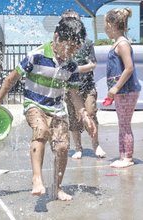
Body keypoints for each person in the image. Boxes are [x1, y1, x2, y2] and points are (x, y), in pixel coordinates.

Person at [0, 17, 96, 201]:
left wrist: (84, 115)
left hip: (57, 109)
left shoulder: (70, 65)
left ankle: (57, 187)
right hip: (34, 104)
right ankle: (37, 177)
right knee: (41, 130)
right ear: (56, 37)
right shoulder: (36, 56)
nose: (70, 52)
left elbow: (74, 95)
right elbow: (12, 78)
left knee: (63, 147)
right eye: (68, 46)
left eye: (75, 48)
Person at [62, 10, 106, 159]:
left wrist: (76, 69)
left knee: (91, 113)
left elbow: (93, 64)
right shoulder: (63, 43)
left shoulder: (86, 42)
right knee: (74, 118)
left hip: (87, 86)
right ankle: (78, 148)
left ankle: (96, 145)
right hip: (70, 88)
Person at [104, 8, 141, 168]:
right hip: (121, 91)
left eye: (105, 26)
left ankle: (128, 158)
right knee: (122, 124)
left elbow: (129, 68)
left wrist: (115, 88)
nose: (105, 30)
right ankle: (123, 155)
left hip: (126, 91)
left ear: (110, 24)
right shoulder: (117, 43)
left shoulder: (123, 44)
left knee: (125, 124)